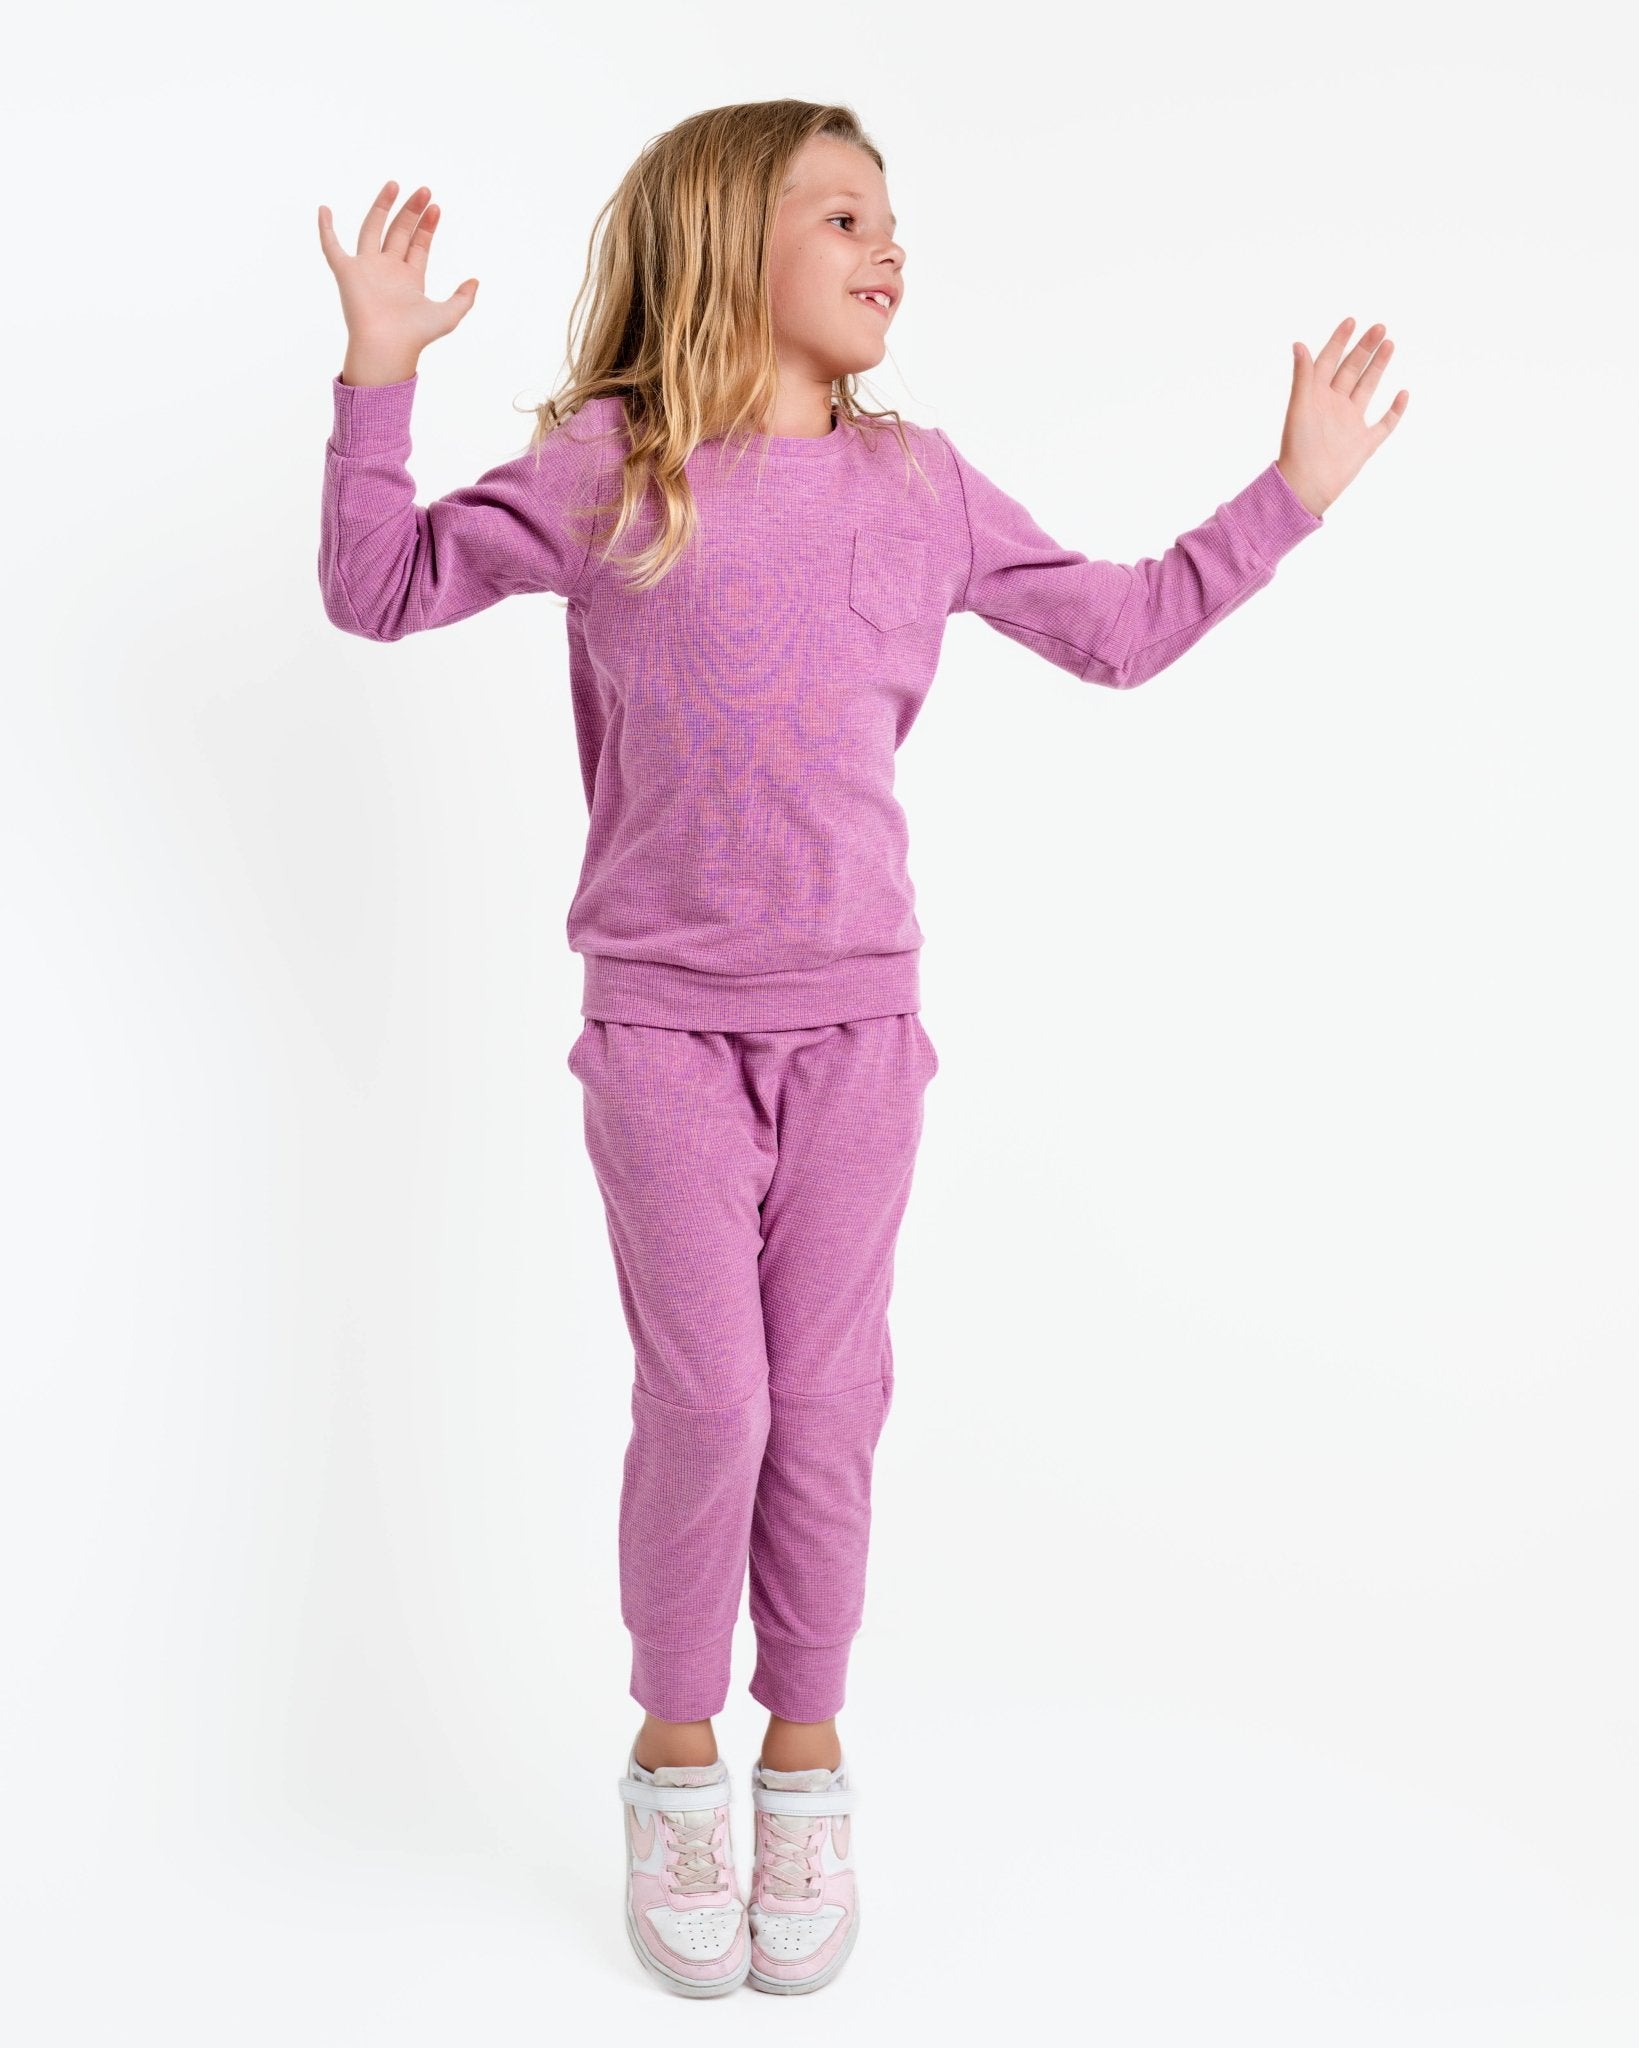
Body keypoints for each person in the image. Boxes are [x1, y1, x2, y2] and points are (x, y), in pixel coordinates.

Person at [316, 97, 1407, 2000]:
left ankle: (804, 1769)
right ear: (726, 243)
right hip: (663, 1031)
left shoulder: (920, 487)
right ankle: (677, 1759)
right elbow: (377, 586)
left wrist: (1287, 495)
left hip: (858, 1035)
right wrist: (377, 380)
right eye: (840, 215)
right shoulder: (611, 469)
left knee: (824, 1409)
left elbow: (1124, 629)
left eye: (889, 217)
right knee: (713, 1408)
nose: (887, 245)